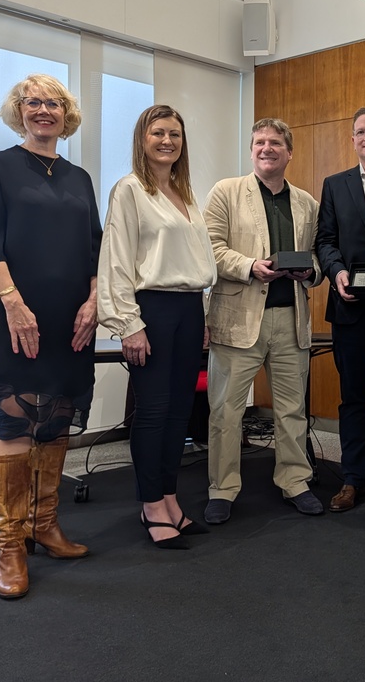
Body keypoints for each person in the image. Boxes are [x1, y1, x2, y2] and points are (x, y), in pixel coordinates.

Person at [0, 74, 101, 598]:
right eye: (33, 102)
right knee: (14, 426)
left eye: (54, 103)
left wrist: (93, 302)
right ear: (18, 111)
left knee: (58, 422)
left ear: (66, 115)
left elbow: (94, 249)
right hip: (13, 317)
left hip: (71, 320)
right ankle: (10, 545)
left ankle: (45, 526)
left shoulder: (79, 177)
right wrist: (13, 304)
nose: (43, 110)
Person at [98, 105, 217, 549]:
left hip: (188, 310)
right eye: (158, 133)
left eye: (175, 135)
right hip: (151, 311)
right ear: (142, 139)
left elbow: (196, 263)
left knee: (178, 412)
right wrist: (129, 323)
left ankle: (170, 498)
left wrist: (202, 315)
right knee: (152, 411)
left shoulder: (185, 194)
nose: (168, 141)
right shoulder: (130, 190)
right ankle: (151, 506)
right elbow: (116, 260)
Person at [203, 118, 323, 524]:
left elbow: (319, 256)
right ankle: (222, 487)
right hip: (238, 321)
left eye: (275, 143)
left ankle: (295, 480)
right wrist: (250, 265)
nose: (266, 148)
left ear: (289, 152)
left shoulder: (307, 202)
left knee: (292, 410)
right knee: (225, 411)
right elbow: (210, 249)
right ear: (251, 149)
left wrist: (312, 272)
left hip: (290, 319)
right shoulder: (226, 192)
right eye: (259, 142)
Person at [315, 107, 365, 512]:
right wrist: (337, 272)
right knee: (353, 398)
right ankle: (354, 480)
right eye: (360, 132)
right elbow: (324, 241)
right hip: (349, 308)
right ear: (353, 140)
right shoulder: (335, 184)